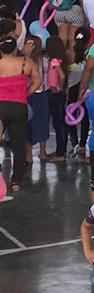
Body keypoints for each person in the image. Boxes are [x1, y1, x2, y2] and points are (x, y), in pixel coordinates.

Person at [0, 37, 37, 190]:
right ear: (16, 48)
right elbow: (37, 81)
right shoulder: (26, 63)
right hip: (19, 106)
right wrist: (25, 94)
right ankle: (16, 181)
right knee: (18, 145)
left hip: (0, 106)